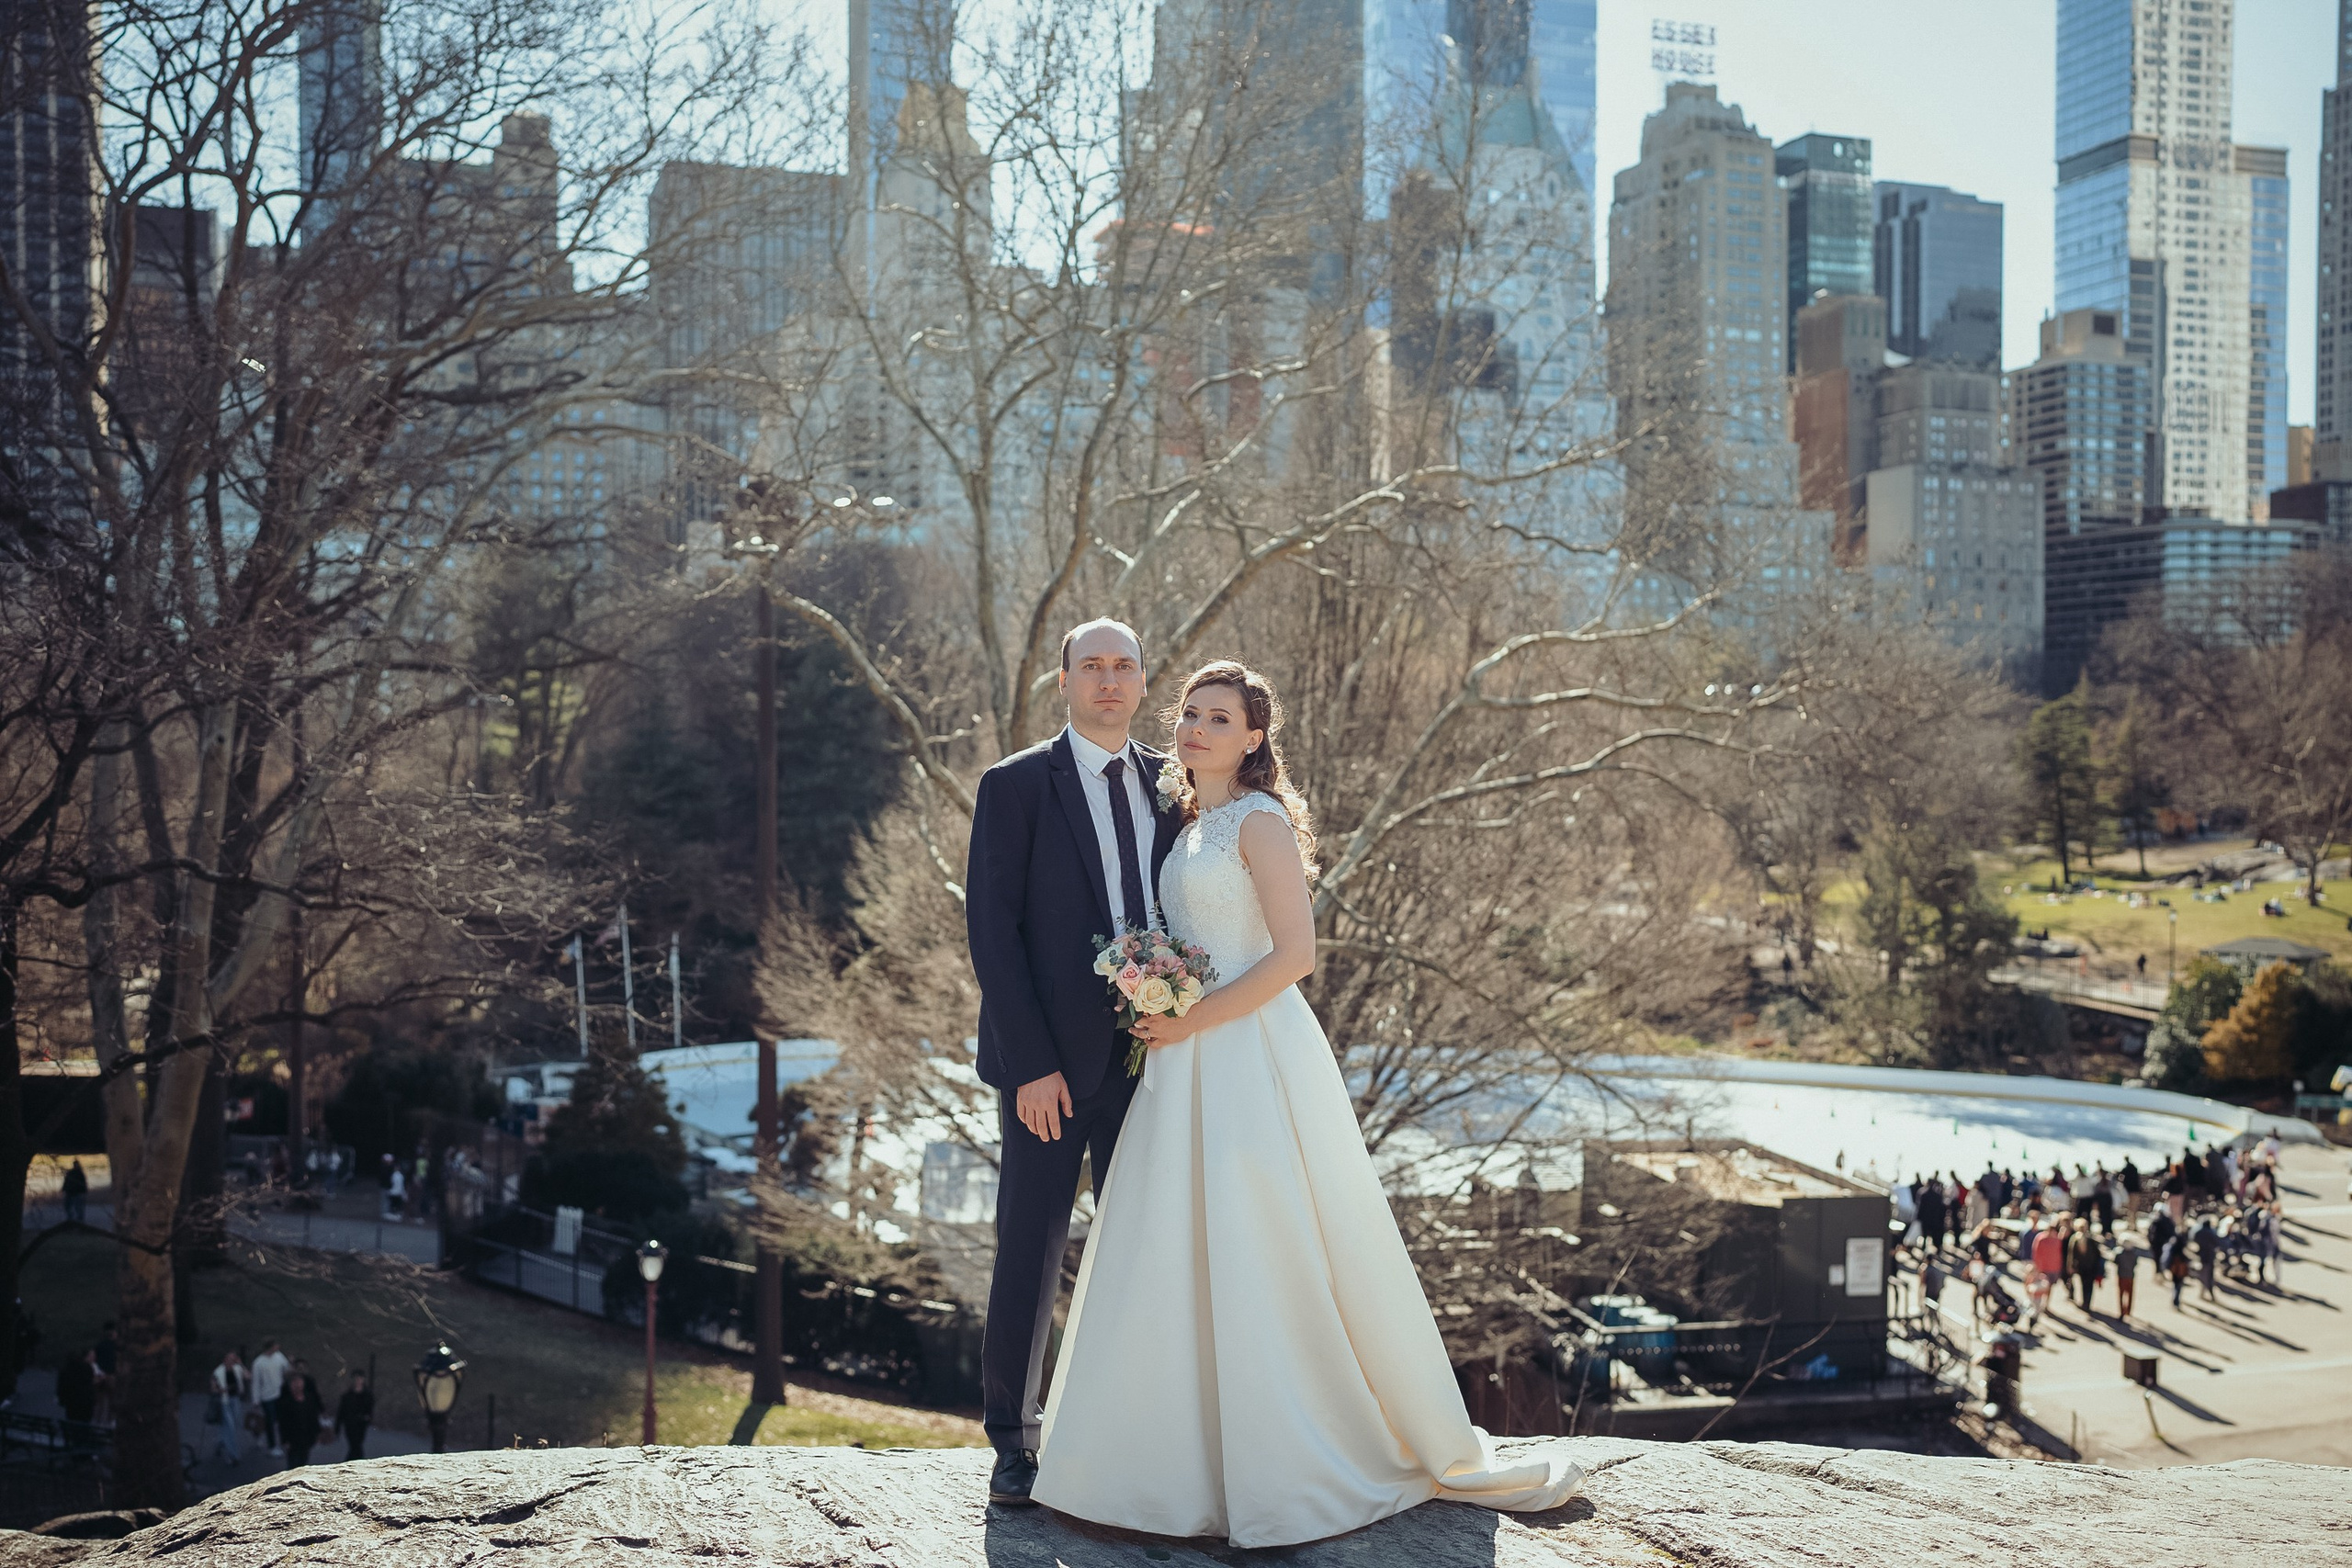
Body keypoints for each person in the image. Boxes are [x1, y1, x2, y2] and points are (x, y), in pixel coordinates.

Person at [1029, 660, 1581, 1546]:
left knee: (1262, 1238)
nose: (1197, 729)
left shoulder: (1260, 821)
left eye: (1220, 718)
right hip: (1182, 1059)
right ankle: (1164, 1468)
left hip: (1249, 1052)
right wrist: (1156, 999)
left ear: (1254, 738)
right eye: (1190, 715)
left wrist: (1192, 1016)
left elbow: (1293, 957)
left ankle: (1290, 1458)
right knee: (1173, 1245)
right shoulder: (1189, 826)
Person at [962, 620, 1185, 1507]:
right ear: (1064, 681)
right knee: (1031, 1249)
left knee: (1152, 1251)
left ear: (1141, 681)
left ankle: (1136, 1433)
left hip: (1155, 1064)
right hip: (1048, 1073)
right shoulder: (1015, 785)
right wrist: (1030, 1066)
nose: (1107, 679)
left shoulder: (1174, 786)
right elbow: (993, 931)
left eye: (1123, 665)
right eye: (1090, 665)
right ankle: (1014, 1443)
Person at [276, 1371, 325, 1468]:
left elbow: (314, 1418)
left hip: (307, 1437)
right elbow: (283, 1423)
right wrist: (284, 1440)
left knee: (303, 1461)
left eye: (299, 1382)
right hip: (293, 1439)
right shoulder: (286, 1403)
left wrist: (318, 1433)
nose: (297, 1385)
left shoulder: (309, 1399)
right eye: (294, 1382)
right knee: (293, 1464)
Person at [250, 1337, 290, 1456]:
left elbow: (286, 1368)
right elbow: (256, 1382)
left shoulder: (279, 1357)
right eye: (275, 1345)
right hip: (267, 1397)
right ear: (270, 1347)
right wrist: (255, 1399)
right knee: (270, 1421)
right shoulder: (259, 1363)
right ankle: (272, 1446)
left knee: (281, 1420)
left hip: (280, 1394)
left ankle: (283, 1442)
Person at [210, 1349, 250, 1465]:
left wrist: (241, 1364)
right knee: (230, 1427)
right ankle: (233, 1454)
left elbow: (248, 1376)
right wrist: (221, 1390)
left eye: (234, 1359)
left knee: (233, 1424)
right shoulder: (218, 1372)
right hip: (224, 1401)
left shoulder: (237, 1369)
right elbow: (213, 1388)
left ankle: (221, 1443)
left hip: (235, 1399)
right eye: (230, 1359)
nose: (232, 1361)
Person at [2065, 1218, 2104, 1314]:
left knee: (2089, 1286)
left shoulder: (2090, 1239)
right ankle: (2085, 1303)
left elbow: (2097, 1254)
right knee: (2084, 1285)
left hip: (2091, 1267)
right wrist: (2070, 1266)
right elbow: (2071, 1254)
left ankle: (2087, 1303)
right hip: (2082, 1266)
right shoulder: (2074, 1239)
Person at [334, 1372, 375, 1461]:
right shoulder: (347, 1396)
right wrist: (337, 1427)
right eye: (356, 1379)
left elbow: (370, 1408)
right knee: (355, 1445)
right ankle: (353, 1462)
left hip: (361, 1424)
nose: (358, 1381)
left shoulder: (367, 1395)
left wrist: (367, 1418)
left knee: (357, 1445)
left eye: (360, 1379)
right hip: (350, 1424)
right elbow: (341, 1411)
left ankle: (351, 1462)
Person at [55, 1347, 98, 1424]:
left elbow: (61, 1387)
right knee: (84, 1423)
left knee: (72, 1421)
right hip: (85, 1402)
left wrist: (62, 1399)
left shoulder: (65, 1369)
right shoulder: (86, 1367)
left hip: (71, 1402)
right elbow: (90, 1383)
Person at [2192, 1215, 2221, 1303]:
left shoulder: (2199, 1231)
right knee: (2209, 1277)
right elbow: (2217, 1243)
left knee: (2202, 1275)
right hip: (2209, 1257)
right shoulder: (2212, 1233)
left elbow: (2194, 1240)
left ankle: (2202, 1293)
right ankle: (2208, 1294)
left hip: (2201, 1256)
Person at [2115, 1235, 2141, 1319]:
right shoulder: (2134, 1254)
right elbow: (2136, 1264)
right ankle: (2128, 1310)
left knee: (2121, 1294)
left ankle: (2122, 1310)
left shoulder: (2119, 1253)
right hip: (2130, 1276)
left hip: (2122, 1276)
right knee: (2130, 1294)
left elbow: (2115, 1261)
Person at [60, 1160, 87, 1225]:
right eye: (75, 1164)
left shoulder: (80, 1173)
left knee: (78, 1207)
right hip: (70, 1192)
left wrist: (84, 1192)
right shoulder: (71, 1173)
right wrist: (63, 1189)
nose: (76, 1166)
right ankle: (71, 1219)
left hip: (77, 1193)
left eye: (76, 1164)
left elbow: (83, 1184)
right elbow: (66, 1182)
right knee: (68, 1206)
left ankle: (79, 1220)